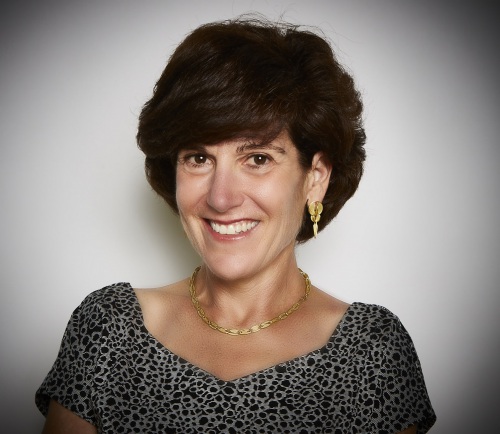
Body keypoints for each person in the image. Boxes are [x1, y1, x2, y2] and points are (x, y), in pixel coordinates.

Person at [36, 16, 436, 434]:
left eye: (258, 158)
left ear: (315, 177)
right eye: (198, 158)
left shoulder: (372, 351)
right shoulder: (109, 329)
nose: (220, 197)